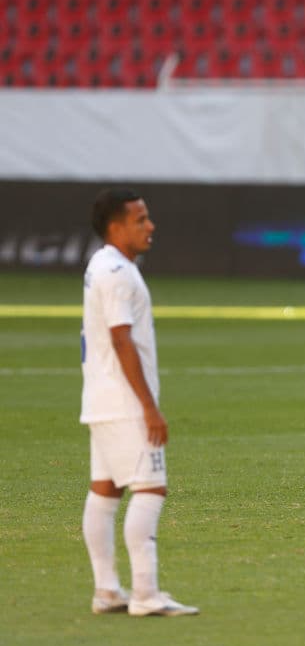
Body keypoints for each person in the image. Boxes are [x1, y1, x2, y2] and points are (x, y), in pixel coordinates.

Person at [80, 188, 198, 616]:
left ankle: (108, 590)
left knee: (106, 491)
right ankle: (146, 594)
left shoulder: (102, 265)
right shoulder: (117, 272)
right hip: (125, 402)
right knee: (151, 488)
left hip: (100, 397)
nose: (150, 226)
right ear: (115, 226)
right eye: (140, 219)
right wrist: (149, 407)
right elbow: (119, 337)